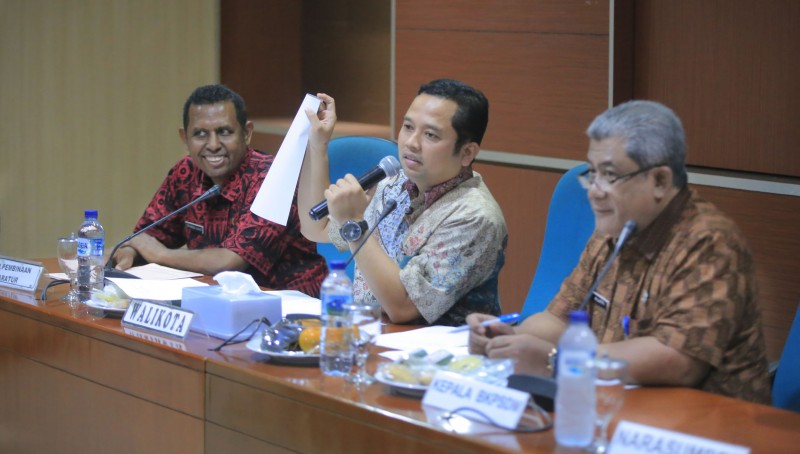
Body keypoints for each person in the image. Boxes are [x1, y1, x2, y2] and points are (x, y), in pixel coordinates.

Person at [467, 100, 771, 403]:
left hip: (705, 420)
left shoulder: (709, 243)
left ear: (660, 181)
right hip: (618, 404)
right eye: (593, 173)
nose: (594, 191)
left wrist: (556, 359)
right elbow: (558, 320)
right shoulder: (614, 230)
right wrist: (507, 339)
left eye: (610, 176)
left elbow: (677, 361)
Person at [298, 79, 508, 326]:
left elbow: (402, 307)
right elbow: (317, 228)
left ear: (467, 153)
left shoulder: (475, 217)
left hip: (437, 346)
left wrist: (354, 223)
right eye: (408, 127)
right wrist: (318, 145)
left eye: (430, 135)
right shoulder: (393, 184)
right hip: (372, 334)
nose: (411, 143)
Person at [112, 84, 327, 297]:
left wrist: (160, 254)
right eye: (200, 134)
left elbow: (229, 262)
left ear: (246, 133)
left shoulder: (274, 180)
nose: (213, 145)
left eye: (224, 132)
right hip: (218, 300)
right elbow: (146, 238)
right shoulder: (186, 172)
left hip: (290, 306)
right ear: (185, 138)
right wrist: (131, 252)